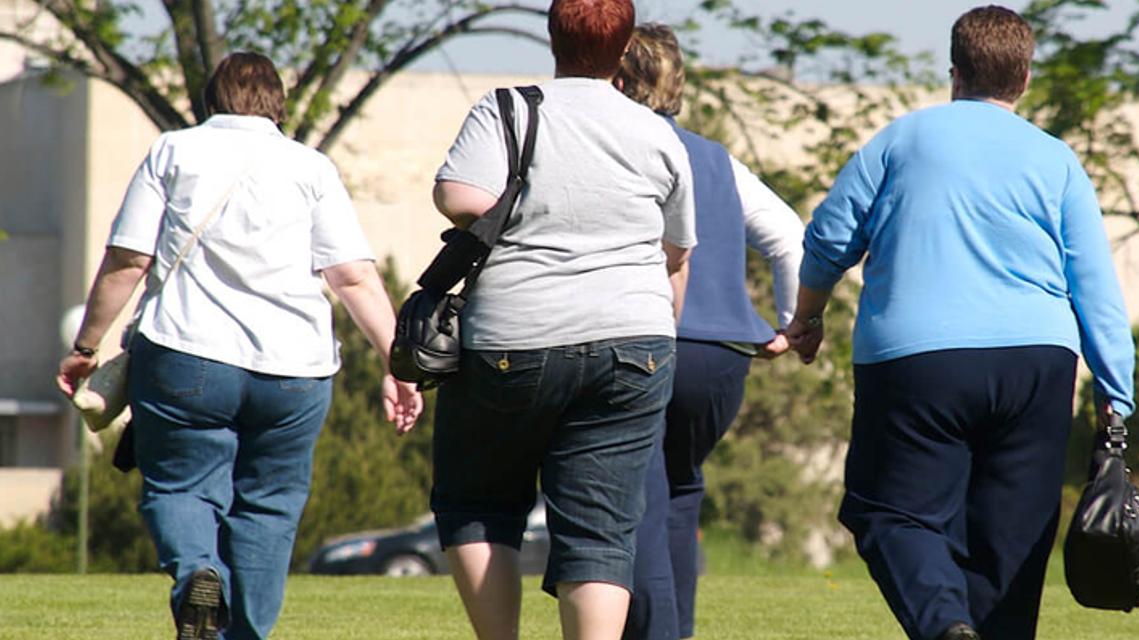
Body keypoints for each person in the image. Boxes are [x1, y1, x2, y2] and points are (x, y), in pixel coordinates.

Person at [784, 7, 1136, 640]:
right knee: (1011, 547)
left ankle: (945, 623)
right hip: (1036, 364)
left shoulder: (900, 141)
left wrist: (808, 316)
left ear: (954, 71)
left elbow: (830, 238)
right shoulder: (1056, 160)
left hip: (918, 361)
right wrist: (1116, 395)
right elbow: (1095, 288)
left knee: (891, 513)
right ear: (1025, 77)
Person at [55, 52, 422, 640]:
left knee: (180, 487)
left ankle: (198, 572)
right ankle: (245, 631)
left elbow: (128, 260)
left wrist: (87, 344)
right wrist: (395, 362)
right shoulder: (311, 167)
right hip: (295, 370)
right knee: (270, 507)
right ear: (278, 104)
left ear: (212, 99)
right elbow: (352, 277)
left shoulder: (174, 151)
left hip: (186, 355)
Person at [429, 1, 697, 638]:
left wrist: (521, 210)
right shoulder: (654, 131)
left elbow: (456, 196)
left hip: (513, 337)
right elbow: (677, 250)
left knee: (479, 503)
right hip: (634, 341)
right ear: (624, 48)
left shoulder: (506, 109)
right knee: (601, 531)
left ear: (552, 37)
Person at [611, 23, 804, 640]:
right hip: (721, 357)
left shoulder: (609, 146)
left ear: (618, 79)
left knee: (636, 499)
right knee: (680, 491)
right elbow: (790, 237)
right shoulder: (717, 159)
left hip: (643, 346)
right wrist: (790, 324)